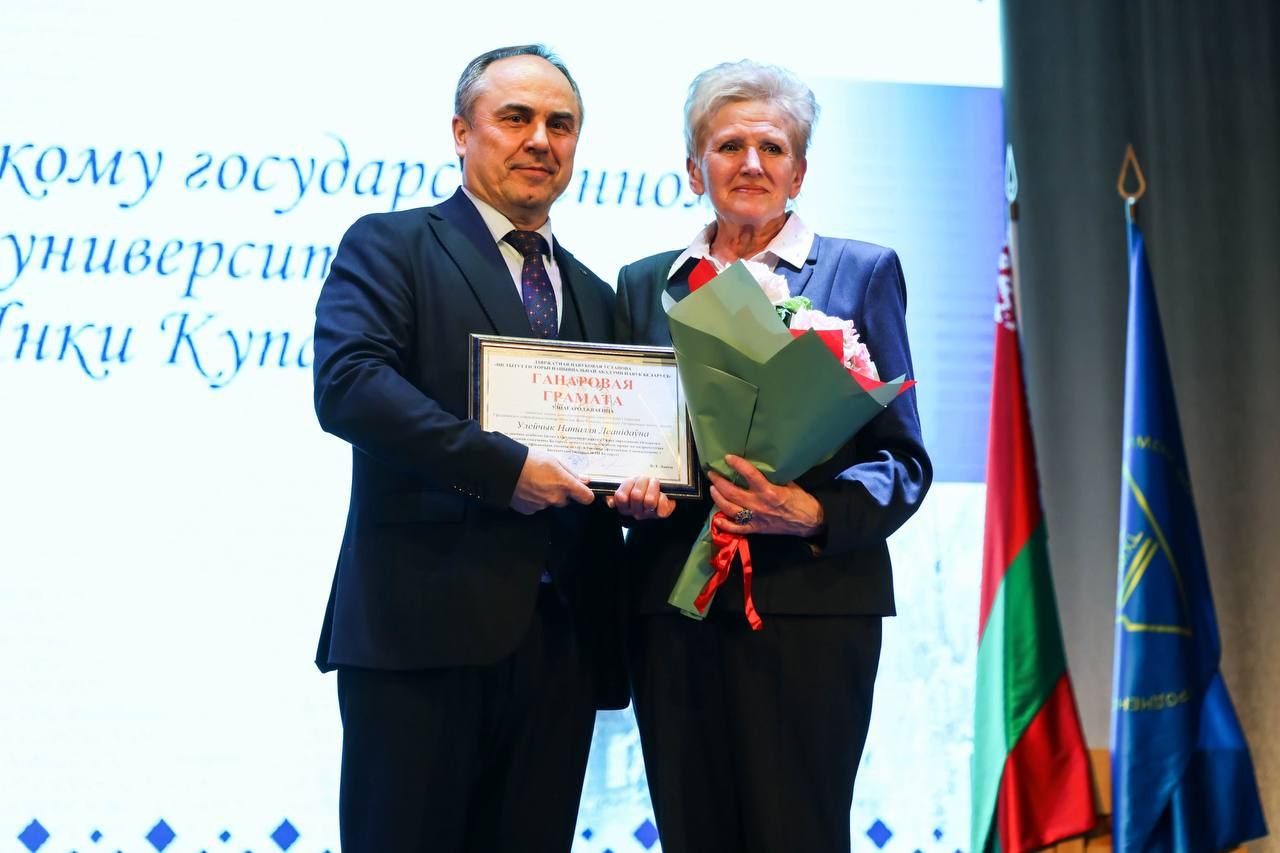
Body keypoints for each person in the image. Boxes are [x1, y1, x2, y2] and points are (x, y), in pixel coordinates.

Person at [611, 60, 933, 853]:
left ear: (800, 171)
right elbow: (628, 438)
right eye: (728, 146)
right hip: (674, 608)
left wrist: (815, 511)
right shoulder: (645, 284)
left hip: (811, 609)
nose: (750, 163)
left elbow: (902, 459)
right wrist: (627, 490)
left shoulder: (861, 272)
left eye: (772, 147)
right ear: (695, 168)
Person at [312, 45, 625, 853]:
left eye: (561, 124)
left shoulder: (595, 293)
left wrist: (642, 489)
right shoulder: (392, 244)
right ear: (461, 132)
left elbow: (620, 446)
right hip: (420, 632)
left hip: (560, 644)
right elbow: (349, 384)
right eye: (515, 118)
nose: (540, 140)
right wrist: (505, 470)